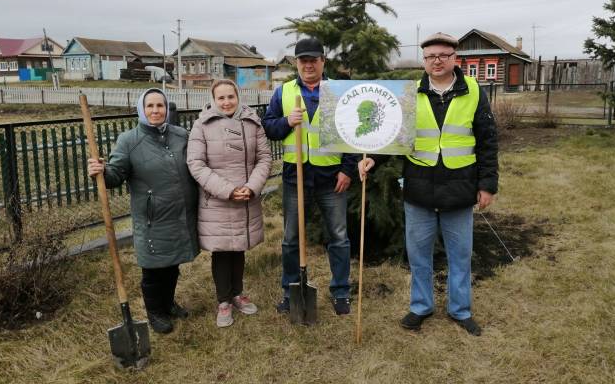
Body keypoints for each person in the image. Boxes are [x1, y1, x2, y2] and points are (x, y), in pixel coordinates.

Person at [359, 32, 498, 335]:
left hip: (460, 188)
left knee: (460, 255)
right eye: (430, 56)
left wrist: (487, 185)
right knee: (419, 255)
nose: (436, 61)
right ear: (424, 61)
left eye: (443, 56)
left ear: (454, 59)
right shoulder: (410, 93)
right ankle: (421, 307)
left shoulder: (474, 91)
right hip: (419, 188)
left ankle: (460, 310)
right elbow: (394, 135)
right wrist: (373, 160)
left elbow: (488, 141)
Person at [87, 88, 199, 334]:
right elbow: (116, 175)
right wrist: (102, 172)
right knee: (153, 268)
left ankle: (168, 304)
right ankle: (155, 312)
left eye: (160, 106)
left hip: (180, 214)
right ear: (142, 109)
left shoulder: (181, 135)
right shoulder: (129, 140)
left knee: (172, 264)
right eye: (150, 106)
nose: (156, 111)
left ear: (167, 109)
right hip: (152, 217)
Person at [262, 36, 358, 316]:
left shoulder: (339, 93)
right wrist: (286, 122)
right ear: (297, 63)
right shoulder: (284, 92)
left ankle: (341, 293)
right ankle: (291, 291)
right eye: (303, 60)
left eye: (313, 60)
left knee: (339, 237)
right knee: (291, 238)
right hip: (296, 176)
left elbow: (352, 134)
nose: (308, 65)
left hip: (332, 176)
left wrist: (347, 169)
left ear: (322, 61)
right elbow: (268, 127)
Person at [187, 79, 272, 328]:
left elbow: (264, 157)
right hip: (218, 198)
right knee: (222, 251)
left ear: (238, 96)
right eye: (221, 98)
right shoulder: (202, 125)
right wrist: (228, 190)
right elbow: (196, 163)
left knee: (239, 248)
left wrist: (252, 187)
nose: (226, 102)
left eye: (230, 97)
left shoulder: (252, 122)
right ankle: (223, 301)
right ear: (214, 100)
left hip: (246, 196)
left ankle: (237, 293)